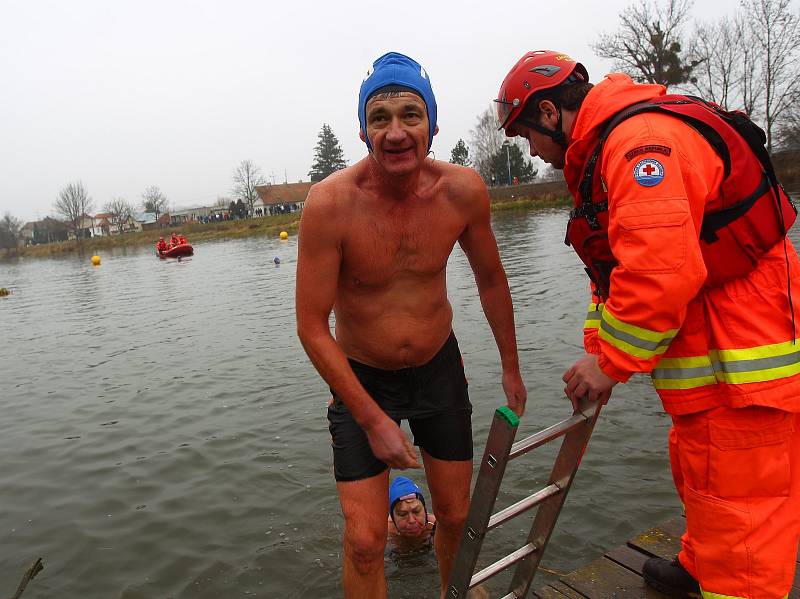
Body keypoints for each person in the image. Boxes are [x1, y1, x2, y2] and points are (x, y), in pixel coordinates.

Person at [494, 50, 800, 598]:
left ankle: (727, 582)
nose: (533, 152)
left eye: (526, 136)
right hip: (711, 363)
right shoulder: (608, 147)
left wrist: (609, 364)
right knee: (702, 474)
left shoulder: (639, 144)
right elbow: (613, 272)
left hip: (744, 365)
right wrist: (599, 353)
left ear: (547, 113)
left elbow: (661, 271)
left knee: (744, 511)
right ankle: (702, 564)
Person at [296, 51, 527, 599]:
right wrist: (372, 417)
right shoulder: (329, 205)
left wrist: (511, 370)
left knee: (453, 516)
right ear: (362, 131)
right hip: (361, 379)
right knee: (365, 540)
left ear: (433, 126)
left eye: (409, 114)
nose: (395, 131)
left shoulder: (462, 191)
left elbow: (493, 282)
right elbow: (310, 325)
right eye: (380, 117)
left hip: (438, 370)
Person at [386, 476, 436, 553]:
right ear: (393, 518)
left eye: (416, 511)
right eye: (403, 514)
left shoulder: (435, 525)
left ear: (424, 510)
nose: (412, 520)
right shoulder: (385, 532)